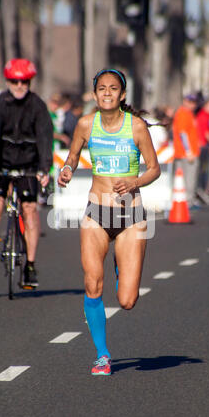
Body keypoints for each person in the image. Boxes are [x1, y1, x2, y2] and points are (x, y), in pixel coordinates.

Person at [57, 68, 160, 375]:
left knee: (127, 301)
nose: (106, 93)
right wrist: (67, 169)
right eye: (101, 88)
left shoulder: (137, 127)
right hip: (97, 211)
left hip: (130, 213)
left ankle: (122, 263)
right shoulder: (86, 124)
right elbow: (73, 156)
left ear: (122, 95)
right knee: (92, 283)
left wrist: (134, 183)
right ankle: (103, 355)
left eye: (113, 88)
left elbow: (154, 168)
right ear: (94, 94)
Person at [0, 58, 53, 290]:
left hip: (28, 164)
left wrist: (44, 168)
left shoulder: (38, 106)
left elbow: (44, 138)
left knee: (30, 210)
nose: (19, 85)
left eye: (24, 81)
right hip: (0, 163)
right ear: (7, 81)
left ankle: (30, 265)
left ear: (30, 81)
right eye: (14, 81)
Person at [172, 94, 200, 209]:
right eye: (190, 102)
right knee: (189, 178)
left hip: (185, 153)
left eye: (194, 102)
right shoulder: (183, 113)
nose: (192, 105)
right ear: (185, 101)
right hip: (186, 154)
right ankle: (188, 201)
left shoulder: (189, 114)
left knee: (185, 178)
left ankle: (186, 201)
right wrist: (188, 151)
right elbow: (182, 133)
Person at [196, 98, 209, 199]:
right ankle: (202, 189)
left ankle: (202, 189)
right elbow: (207, 133)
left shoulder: (204, 115)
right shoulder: (204, 116)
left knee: (203, 169)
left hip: (202, 146)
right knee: (203, 170)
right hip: (202, 147)